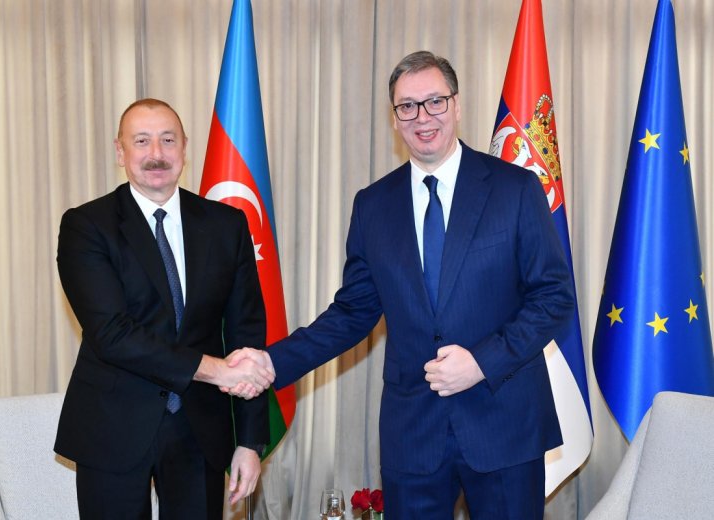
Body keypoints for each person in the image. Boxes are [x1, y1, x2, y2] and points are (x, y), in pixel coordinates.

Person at [228, 51, 574, 519]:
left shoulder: (515, 189)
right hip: (413, 433)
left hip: (505, 423)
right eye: (407, 106)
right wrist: (272, 362)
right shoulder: (373, 205)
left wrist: (481, 362)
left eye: (434, 102)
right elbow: (352, 313)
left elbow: (553, 297)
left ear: (456, 105)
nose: (422, 117)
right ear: (394, 119)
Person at [54, 98, 274, 520]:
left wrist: (249, 441)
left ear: (185, 148)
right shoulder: (87, 226)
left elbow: (247, 334)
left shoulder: (226, 225)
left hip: (200, 433)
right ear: (120, 151)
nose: (156, 153)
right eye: (141, 141)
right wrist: (216, 370)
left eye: (168, 140)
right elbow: (113, 333)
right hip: (113, 429)